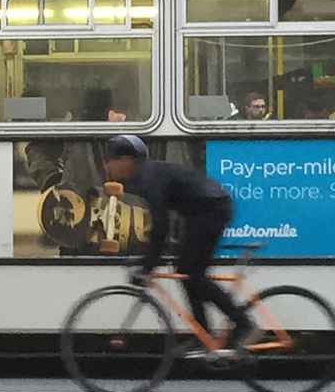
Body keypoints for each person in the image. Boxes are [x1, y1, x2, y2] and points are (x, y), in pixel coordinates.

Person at [102, 135, 252, 357]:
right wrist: (148, 263)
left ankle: (243, 324)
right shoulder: (145, 175)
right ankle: (203, 335)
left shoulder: (147, 178)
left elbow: (160, 225)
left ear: (126, 159)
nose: (107, 166)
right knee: (187, 274)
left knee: (192, 274)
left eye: (110, 160)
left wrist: (147, 267)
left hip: (210, 211)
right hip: (202, 211)